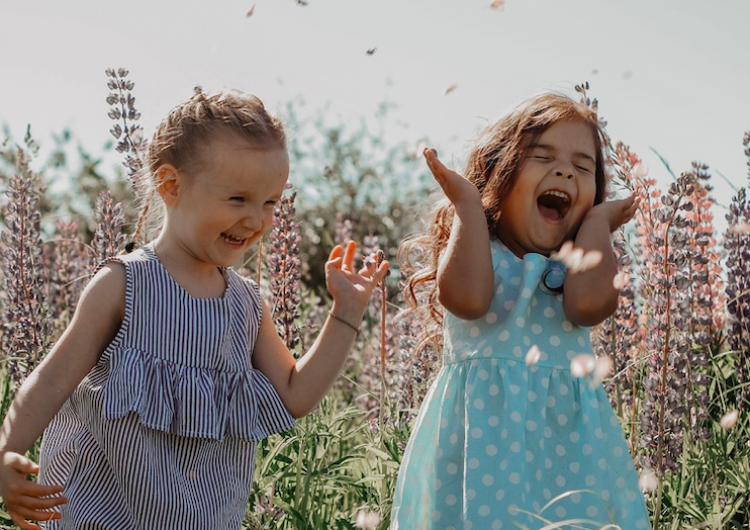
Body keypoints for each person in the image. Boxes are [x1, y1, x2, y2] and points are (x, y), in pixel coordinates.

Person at [0, 88, 389, 530]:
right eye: (238, 199)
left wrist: (347, 312)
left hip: (201, 516)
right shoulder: (125, 284)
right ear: (171, 185)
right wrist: (6, 450)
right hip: (99, 511)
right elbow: (53, 378)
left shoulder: (245, 304)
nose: (257, 219)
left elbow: (294, 395)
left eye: (270, 202)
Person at [391, 93, 649, 529]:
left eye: (583, 167)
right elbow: (468, 300)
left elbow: (589, 306)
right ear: (499, 174)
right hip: (477, 458)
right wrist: (469, 207)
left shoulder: (573, 272)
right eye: (541, 156)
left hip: (571, 460)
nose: (565, 170)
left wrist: (597, 225)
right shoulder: (482, 254)